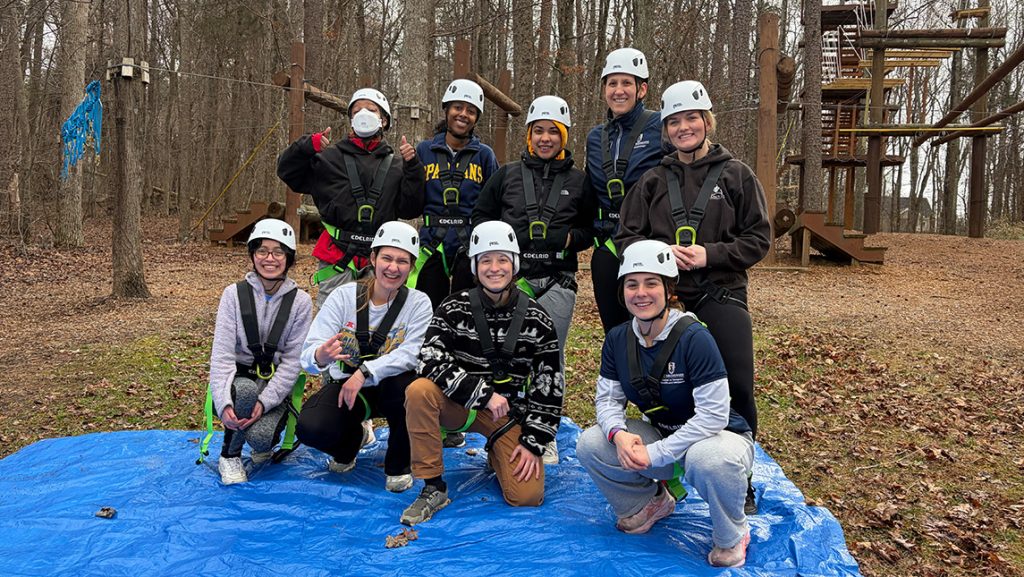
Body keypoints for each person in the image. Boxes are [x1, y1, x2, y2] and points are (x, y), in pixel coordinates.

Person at [616, 80, 770, 513]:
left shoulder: (737, 175)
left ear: (706, 122)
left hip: (721, 292)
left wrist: (711, 255)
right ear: (666, 129)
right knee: (659, 386)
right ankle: (665, 466)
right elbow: (627, 237)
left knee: (738, 386)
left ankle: (742, 478)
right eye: (675, 122)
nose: (684, 128)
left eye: (692, 119)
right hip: (668, 300)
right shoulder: (652, 180)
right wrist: (660, 259)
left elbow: (759, 239)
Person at [576, 240, 754, 568]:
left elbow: (714, 416)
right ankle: (650, 503)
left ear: (669, 289)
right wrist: (618, 433)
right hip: (663, 438)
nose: (641, 293)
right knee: (591, 443)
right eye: (632, 284)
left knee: (708, 459)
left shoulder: (694, 337)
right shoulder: (617, 339)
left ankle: (733, 534)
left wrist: (655, 453)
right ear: (622, 290)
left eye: (651, 283)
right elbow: (607, 399)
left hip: (717, 439)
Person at [400, 221, 564, 525]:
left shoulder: (537, 317)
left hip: (508, 416)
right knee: (419, 390)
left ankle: (498, 452)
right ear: (475, 267)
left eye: (502, 259)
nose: (494, 268)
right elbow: (429, 359)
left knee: (526, 497)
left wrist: (534, 441)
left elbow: (549, 386)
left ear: (514, 265)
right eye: (485, 260)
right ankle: (432, 485)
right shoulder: (453, 308)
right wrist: (482, 394)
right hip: (459, 407)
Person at [473, 95, 592, 463]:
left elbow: (592, 225)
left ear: (564, 136)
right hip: (512, 282)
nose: (545, 138)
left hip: (557, 279)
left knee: (549, 356)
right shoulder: (506, 175)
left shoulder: (579, 180)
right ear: (528, 134)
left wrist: (571, 239)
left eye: (553, 132)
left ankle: (545, 428)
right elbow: (480, 216)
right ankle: (506, 424)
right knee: (505, 354)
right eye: (538, 131)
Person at [295, 221, 433, 493]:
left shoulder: (419, 303)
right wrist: (321, 355)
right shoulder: (343, 297)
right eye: (387, 258)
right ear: (373, 259)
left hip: (394, 389)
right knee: (312, 427)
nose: (393, 268)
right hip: (349, 389)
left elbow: (411, 353)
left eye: (402, 261)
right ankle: (350, 443)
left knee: (409, 389)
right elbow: (309, 352)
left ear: (412, 266)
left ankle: (399, 463)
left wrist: (365, 372)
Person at [411, 79, 500, 449]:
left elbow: (494, 201)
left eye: (471, 110)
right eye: (457, 107)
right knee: (427, 327)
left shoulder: (484, 157)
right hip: (431, 248)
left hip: (467, 250)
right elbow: (410, 197)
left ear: (476, 116)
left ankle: (458, 413)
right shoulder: (423, 151)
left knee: (466, 330)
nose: (463, 114)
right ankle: (426, 406)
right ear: (446, 109)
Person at [277, 87, 424, 308]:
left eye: (371, 109)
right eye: (357, 110)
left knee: (377, 323)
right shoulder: (328, 159)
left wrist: (413, 168)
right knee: (333, 326)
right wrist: (306, 147)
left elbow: (410, 208)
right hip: (336, 254)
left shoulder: (397, 165)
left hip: (380, 258)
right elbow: (288, 172)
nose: (364, 113)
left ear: (384, 120)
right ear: (351, 119)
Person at [208, 219, 313, 485]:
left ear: (288, 258)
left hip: (275, 381)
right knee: (244, 392)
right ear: (253, 255)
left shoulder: (300, 302)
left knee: (261, 438)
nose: (270, 258)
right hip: (240, 379)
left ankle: (264, 437)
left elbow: (292, 362)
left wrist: (265, 402)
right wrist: (224, 404)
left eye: (278, 252)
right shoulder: (233, 295)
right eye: (262, 251)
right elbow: (221, 355)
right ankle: (229, 455)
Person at [585, 48, 664, 333]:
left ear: (642, 89)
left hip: (647, 237)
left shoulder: (660, 126)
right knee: (615, 328)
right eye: (612, 83)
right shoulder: (596, 137)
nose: (619, 91)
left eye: (626, 83)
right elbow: (589, 188)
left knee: (650, 325)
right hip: (608, 240)